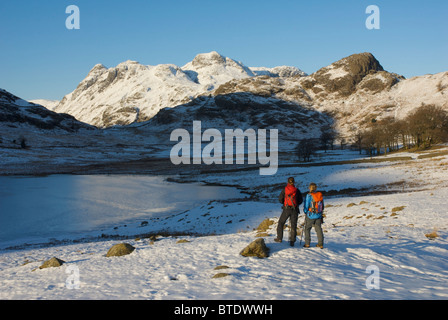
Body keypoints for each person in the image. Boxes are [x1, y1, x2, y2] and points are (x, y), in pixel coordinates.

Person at [275, 177, 303, 247]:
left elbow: (280, 199)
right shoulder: (297, 190)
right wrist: (296, 204)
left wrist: (285, 203)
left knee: (281, 223)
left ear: (288, 182)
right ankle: (292, 241)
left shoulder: (284, 190)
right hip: (295, 209)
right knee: (293, 225)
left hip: (286, 209)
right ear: (294, 182)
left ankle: (279, 238)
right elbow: (300, 200)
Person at [303, 182, 324, 249]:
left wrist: (305, 212)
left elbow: (306, 205)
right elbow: (322, 205)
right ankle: (320, 244)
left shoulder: (309, 195)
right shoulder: (319, 194)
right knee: (318, 229)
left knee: (307, 228)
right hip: (318, 215)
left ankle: (307, 243)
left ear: (309, 188)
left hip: (310, 215)